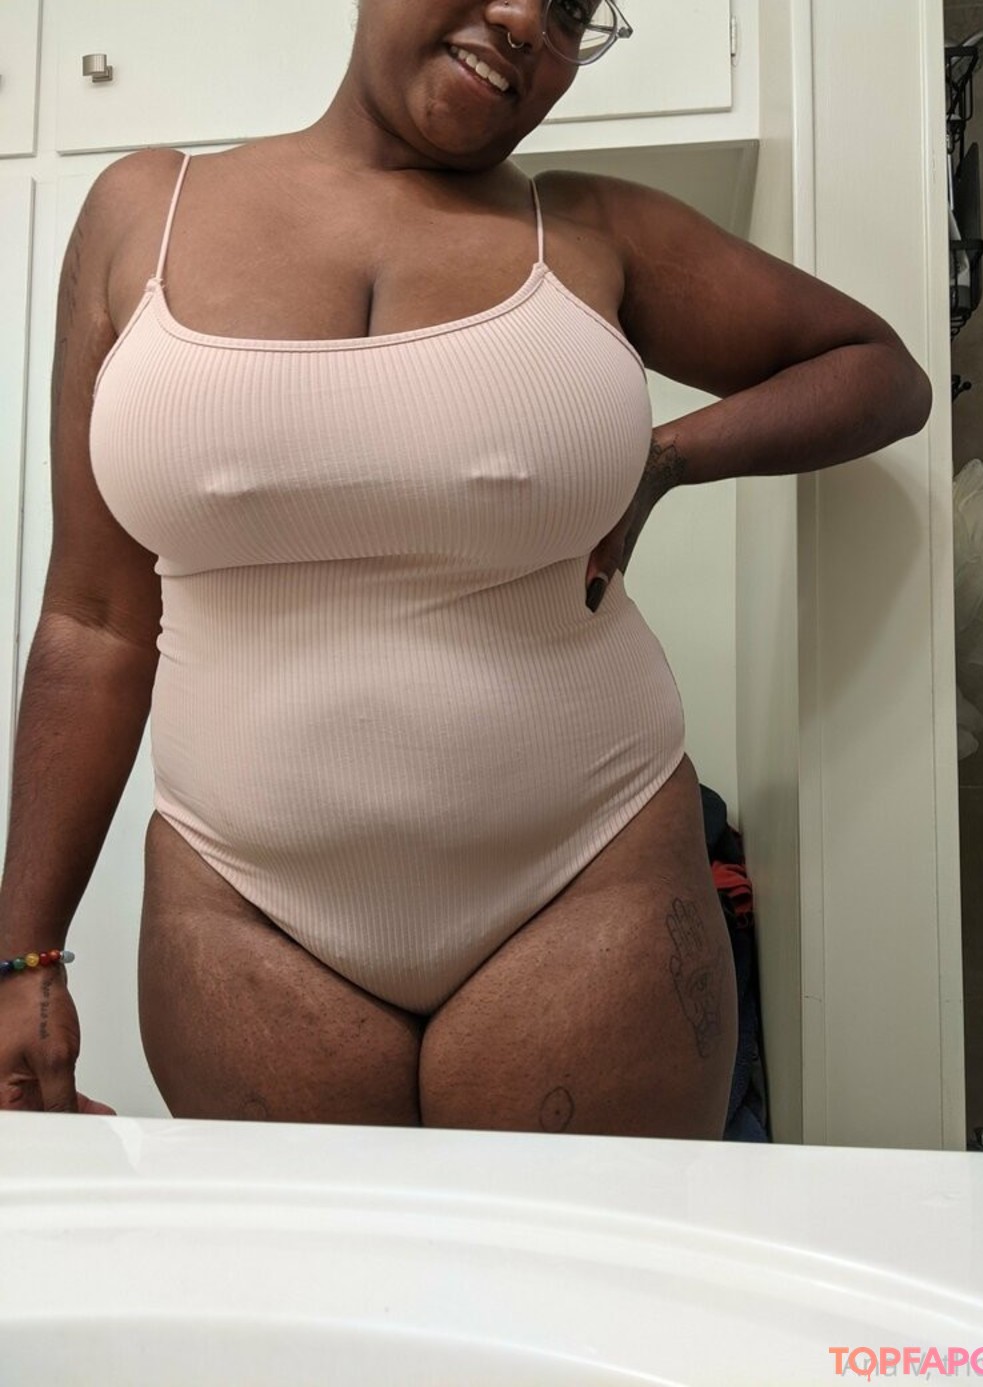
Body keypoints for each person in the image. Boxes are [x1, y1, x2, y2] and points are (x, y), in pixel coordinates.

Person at [0, 0, 931, 1136]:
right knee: (319, 1262)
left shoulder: (592, 228)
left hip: (589, 879)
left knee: (588, 1255)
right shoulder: (143, 212)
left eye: (573, 7)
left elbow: (878, 370)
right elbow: (93, 621)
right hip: (240, 907)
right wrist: (22, 958)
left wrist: (665, 459)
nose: (528, 18)